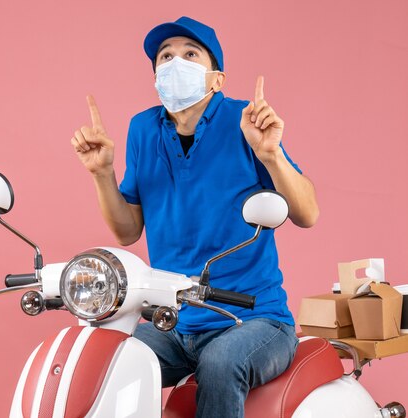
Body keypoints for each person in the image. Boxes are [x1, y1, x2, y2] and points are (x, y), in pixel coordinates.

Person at [70, 16, 319, 418]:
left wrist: (271, 153)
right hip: (174, 321)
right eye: (164, 57)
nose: (174, 63)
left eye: (190, 54)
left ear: (216, 78)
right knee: (106, 358)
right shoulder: (143, 129)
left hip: (252, 320)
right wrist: (102, 173)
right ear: (154, 76)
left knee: (220, 363)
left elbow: (307, 213)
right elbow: (128, 230)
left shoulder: (246, 121)